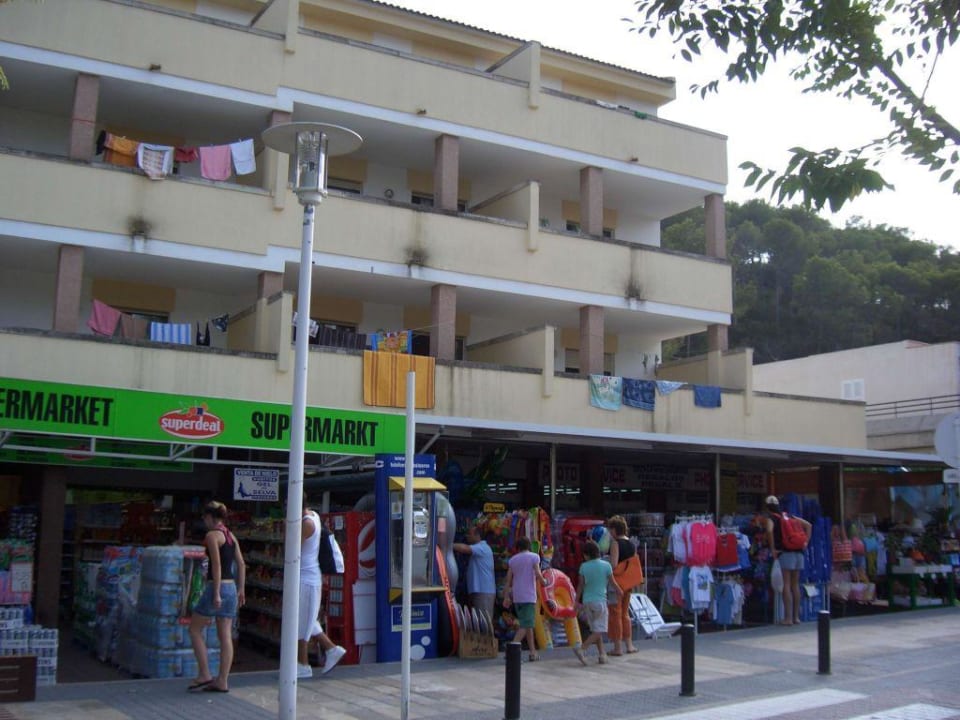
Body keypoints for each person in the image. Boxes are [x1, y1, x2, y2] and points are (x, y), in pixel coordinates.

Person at [188, 501, 245, 693]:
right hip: (232, 589)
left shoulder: (212, 536)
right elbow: (242, 564)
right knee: (225, 636)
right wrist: (242, 589)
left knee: (194, 629)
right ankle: (222, 680)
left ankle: (204, 673)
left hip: (216, 587)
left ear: (211, 517)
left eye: (204, 517)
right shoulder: (231, 536)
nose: (204, 521)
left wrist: (217, 592)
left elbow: (216, 566)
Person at [298, 499, 347, 678]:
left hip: (306, 578)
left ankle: (303, 664)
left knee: (301, 622)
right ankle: (331, 648)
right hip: (308, 576)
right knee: (306, 619)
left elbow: (292, 548)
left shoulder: (307, 523)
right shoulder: (315, 516)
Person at [764, 495, 812, 626]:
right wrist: (806, 541)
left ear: (767, 507)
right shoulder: (789, 516)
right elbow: (808, 525)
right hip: (799, 553)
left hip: (785, 553)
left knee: (786, 584)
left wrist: (773, 548)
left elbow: (769, 530)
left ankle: (788, 618)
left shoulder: (771, 518)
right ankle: (796, 617)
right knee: (795, 585)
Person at [574, 538, 621, 666]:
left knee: (596, 628)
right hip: (600, 601)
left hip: (587, 602)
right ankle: (582, 648)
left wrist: (576, 601)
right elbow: (612, 582)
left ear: (586, 555)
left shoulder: (583, 567)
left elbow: (580, 586)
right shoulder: (606, 566)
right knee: (600, 629)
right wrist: (619, 591)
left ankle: (602, 654)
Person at [502, 536, 548, 662]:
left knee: (528, 625)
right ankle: (511, 650)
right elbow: (538, 574)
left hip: (517, 596)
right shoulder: (534, 557)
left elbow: (508, 581)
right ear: (529, 546)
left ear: (518, 548)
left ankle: (533, 652)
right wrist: (544, 582)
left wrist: (506, 596)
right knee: (526, 624)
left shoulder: (512, 560)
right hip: (529, 596)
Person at [606, 515, 638, 655]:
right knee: (625, 614)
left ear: (614, 530)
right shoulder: (631, 544)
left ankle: (617, 647)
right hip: (628, 583)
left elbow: (613, 564)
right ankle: (629, 645)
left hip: (616, 584)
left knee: (615, 613)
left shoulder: (615, 543)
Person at [452, 526, 496, 623]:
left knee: (484, 622)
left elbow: (465, 548)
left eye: (470, 534)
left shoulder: (483, 548)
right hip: (478, 591)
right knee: (478, 623)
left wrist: (449, 545)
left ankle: (488, 638)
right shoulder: (479, 549)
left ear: (477, 535)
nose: (467, 536)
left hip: (483, 591)